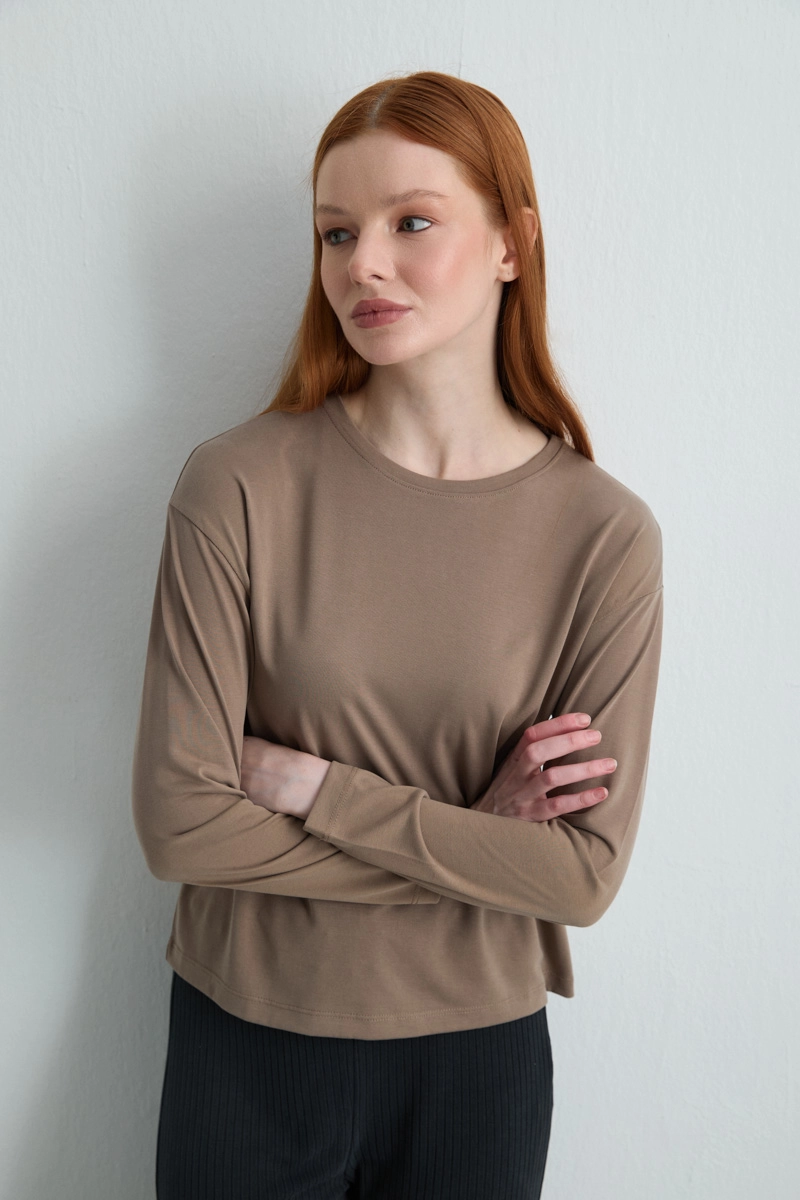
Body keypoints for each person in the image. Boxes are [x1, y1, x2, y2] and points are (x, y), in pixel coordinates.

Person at [132, 69, 664, 1200]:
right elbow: (180, 827)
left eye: (410, 222)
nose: (361, 265)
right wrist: (478, 843)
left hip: (475, 1061)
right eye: (336, 232)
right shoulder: (237, 485)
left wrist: (316, 788)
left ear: (513, 242)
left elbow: (579, 878)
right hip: (247, 1041)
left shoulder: (602, 535)